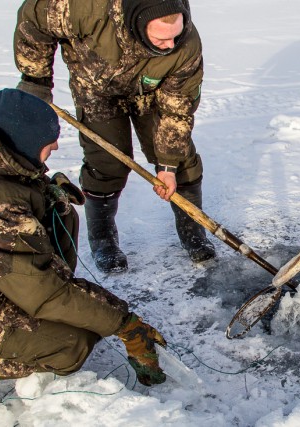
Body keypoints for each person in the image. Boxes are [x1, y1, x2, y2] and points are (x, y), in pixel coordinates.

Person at [0, 89, 167, 402]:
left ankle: (29, 309)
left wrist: (43, 192)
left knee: (60, 214)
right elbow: (46, 290)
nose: (54, 148)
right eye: (46, 145)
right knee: (72, 343)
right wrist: (124, 323)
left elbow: (9, 186)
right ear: (19, 143)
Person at [14, 0, 216, 273]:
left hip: (152, 91)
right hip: (96, 87)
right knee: (107, 163)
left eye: (175, 36)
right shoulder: (87, 8)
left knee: (181, 160)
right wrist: (35, 80)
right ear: (138, 25)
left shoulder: (185, 46)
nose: (171, 44)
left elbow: (177, 111)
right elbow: (34, 20)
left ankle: (194, 232)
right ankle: (103, 240)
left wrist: (167, 166)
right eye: (162, 38)